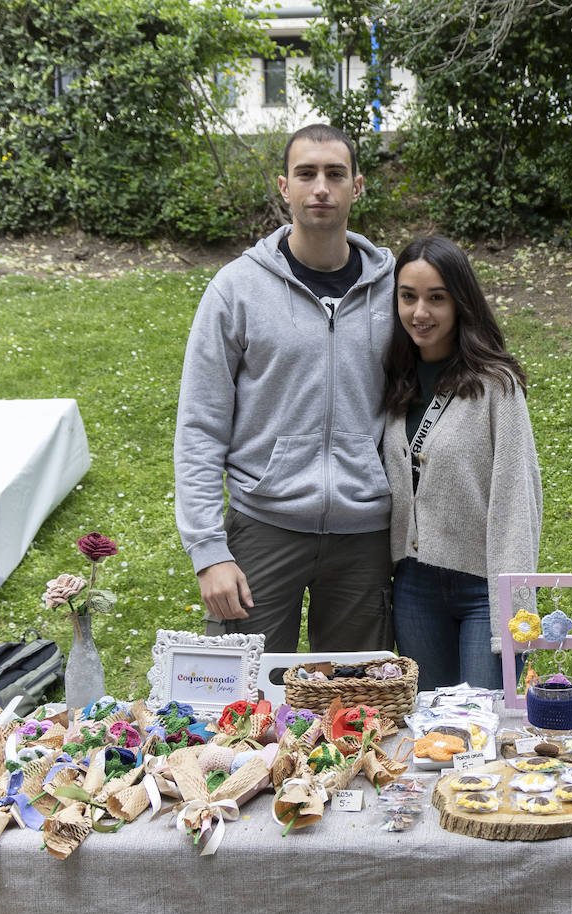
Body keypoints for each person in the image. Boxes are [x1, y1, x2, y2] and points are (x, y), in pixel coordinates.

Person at [174, 124, 397, 653]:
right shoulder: (236, 288)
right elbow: (200, 424)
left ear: (357, 187)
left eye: (335, 174)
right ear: (284, 186)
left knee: (354, 706)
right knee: (238, 707)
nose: (320, 187)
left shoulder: (395, 290)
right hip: (261, 527)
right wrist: (209, 551)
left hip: (363, 535)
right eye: (306, 174)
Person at [383, 236, 542, 690]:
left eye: (437, 298)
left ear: (461, 303)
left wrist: (514, 609)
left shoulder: (496, 385)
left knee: (482, 730)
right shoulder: (396, 381)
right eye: (408, 297)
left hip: (482, 590)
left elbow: (517, 501)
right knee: (431, 730)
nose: (420, 313)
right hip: (413, 589)